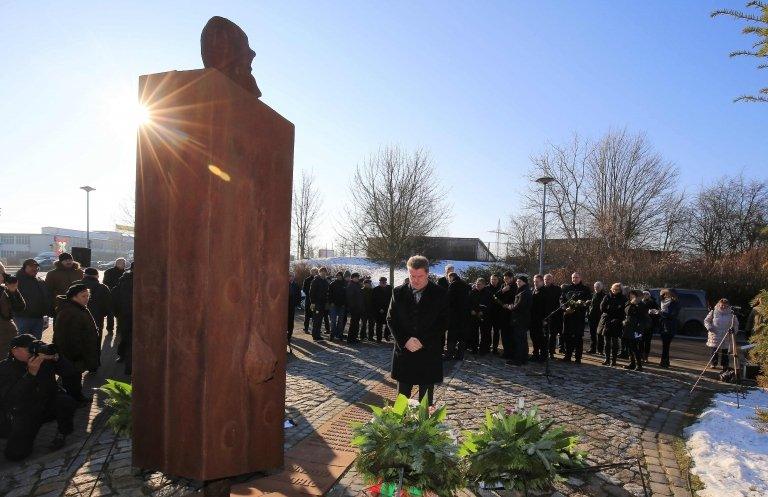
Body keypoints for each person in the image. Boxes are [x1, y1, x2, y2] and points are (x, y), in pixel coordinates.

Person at [0, 334, 78, 461]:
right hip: (24, 413)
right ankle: (14, 434)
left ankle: (62, 433)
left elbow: (70, 372)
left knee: (65, 401)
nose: (34, 351)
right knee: (15, 455)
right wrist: (30, 374)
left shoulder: (43, 360)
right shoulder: (4, 368)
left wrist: (58, 359)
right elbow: (11, 397)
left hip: (46, 404)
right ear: (15, 351)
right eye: (30, 348)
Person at [387, 255, 448, 406]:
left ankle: (424, 428)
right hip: (405, 353)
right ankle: (398, 428)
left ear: (427, 273)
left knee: (425, 404)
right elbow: (391, 319)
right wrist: (405, 340)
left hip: (429, 353)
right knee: (401, 403)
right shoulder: (398, 292)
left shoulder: (440, 294)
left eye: (419, 276)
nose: (415, 280)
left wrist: (423, 341)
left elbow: (443, 322)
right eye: (411, 275)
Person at [53, 284, 100, 383]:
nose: (87, 298)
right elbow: (67, 337)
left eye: (88, 296)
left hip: (78, 354)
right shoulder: (70, 311)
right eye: (83, 296)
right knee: (71, 379)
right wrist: (77, 356)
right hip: (73, 355)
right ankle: (75, 397)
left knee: (75, 378)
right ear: (73, 297)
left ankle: (77, 395)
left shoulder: (78, 308)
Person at [74, 268, 111, 355]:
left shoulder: (74, 285)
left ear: (85, 275)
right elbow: (108, 305)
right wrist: (103, 313)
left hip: (76, 316)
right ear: (96, 276)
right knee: (95, 339)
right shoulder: (103, 287)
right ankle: (95, 360)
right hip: (97, 318)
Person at [14, 259, 52, 339]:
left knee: (35, 345)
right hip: (22, 318)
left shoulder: (40, 281)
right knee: (21, 343)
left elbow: (46, 297)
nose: (34, 269)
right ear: (24, 267)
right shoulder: (16, 280)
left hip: (38, 318)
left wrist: (48, 311)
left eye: (36, 267)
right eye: (31, 266)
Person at [559, 272, 592, 363]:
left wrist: (580, 305)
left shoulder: (585, 289)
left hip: (579, 317)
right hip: (568, 316)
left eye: (576, 277)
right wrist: (565, 308)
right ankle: (568, 356)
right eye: (573, 277)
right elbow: (561, 300)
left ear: (580, 278)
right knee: (567, 336)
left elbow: (588, 301)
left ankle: (578, 358)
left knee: (578, 337)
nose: (574, 279)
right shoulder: (567, 288)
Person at [704, 298, 739, 372]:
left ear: (728, 306)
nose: (723, 307)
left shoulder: (731, 313)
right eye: (722, 305)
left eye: (725, 306)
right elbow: (706, 321)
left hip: (726, 335)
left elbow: (736, 324)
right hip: (715, 334)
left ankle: (725, 365)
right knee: (714, 350)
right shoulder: (713, 312)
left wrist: (734, 331)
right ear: (719, 304)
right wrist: (709, 327)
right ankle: (713, 363)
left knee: (725, 351)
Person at [111, 264, 134, 374]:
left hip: (125, 315)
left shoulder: (123, 280)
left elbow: (115, 298)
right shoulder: (147, 280)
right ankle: (129, 366)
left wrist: (118, 314)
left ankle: (123, 357)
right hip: (137, 316)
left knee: (126, 338)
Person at [505, 275, 532, 366]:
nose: (517, 283)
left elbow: (519, 306)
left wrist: (510, 307)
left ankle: (519, 359)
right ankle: (523, 358)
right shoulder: (523, 290)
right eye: (517, 281)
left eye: (519, 281)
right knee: (522, 340)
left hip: (520, 319)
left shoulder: (524, 292)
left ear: (524, 282)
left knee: (519, 340)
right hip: (521, 319)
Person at [599, 283, 627, 367]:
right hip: (607, 321)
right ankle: (607, 358)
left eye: (617, 290)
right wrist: (612, 308)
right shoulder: (607, 297)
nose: (614, 291)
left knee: (615, 342)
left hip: (617, 321)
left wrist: (616, 313)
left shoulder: (623, 298)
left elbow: (623, 310)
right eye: (613, 289)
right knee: (607, 342)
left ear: (620, 290)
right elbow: (602, 307)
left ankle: (613, 360)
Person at [446, 272, 470, 360]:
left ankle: (449, 355)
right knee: (462, 336)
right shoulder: (466, 285)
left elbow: (448, 300)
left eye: (449, 278)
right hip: (465, 315)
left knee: (452, 335)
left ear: (451, 277)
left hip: (455, 315)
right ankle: (460, 355)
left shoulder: (453, 285)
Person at [1, 275, 26, 357]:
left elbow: (20, 307)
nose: (4, 276)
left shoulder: (5, 289)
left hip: (8, 331)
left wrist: (13, 291)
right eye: (2, 273)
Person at [623, 290, 647, 371]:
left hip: (637, 329)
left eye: (633, 296)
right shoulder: (628, 303)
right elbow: (627, 311)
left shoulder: (642, 305)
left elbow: (643, 317)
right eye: (630, 295)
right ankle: (632, 363)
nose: (632, 297)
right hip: (628, 327)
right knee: (629, 346)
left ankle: (639, 365)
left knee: (635, 346)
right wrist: (632, 304)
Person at [495, 271, 517, 360]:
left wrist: (509, 305)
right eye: (504, 279)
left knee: (510, 334)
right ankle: (506, 351)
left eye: (507, 279)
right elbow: (496, 296)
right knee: (504, 334)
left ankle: (511, 352)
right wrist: (502, 290)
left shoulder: (515, 286)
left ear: (512, 278)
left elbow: (516, 298)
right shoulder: (503, 286)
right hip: (503, 313)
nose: (506, 280)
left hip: (511, 313)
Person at [469, 278, 493, 355]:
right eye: (476, 284)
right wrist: (471, 310)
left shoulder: (488, 293)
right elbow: (468, 302)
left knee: (484, 333)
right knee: (474, 333)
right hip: (474, 316)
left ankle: (483, 349)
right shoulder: (472, 292)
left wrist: (483, 311)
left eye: (479, 284)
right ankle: (474, 348)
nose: (477, 285)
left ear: (483, 285)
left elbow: (490, 305)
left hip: (484, 316)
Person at [657, 288, 681, 368]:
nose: (664, 296)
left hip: (670, 326)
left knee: (666, 345)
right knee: (665, 345)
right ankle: (665, 361)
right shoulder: (663, 302)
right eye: (663, 294)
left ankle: (664, 362)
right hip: (663, 325)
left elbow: (672, 315)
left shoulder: (675, 303)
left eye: (665, 294)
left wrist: (661, 312)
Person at [102, 258, 126, 335]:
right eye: (122, 263)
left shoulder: (125, 273)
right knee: (110, 313)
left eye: (124, 263)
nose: (124, 265)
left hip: (121, 296)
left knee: (120, 313)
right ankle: (110, 328)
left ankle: (119, 328)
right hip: (111, 295)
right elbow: (105, 283)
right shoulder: (109, 272)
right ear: (117, 263)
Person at [541, 274, 562, 359]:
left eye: (548, 279)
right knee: (544, 335)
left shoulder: (557, 289)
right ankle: (543, 351)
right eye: (545, 279)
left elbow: (560, 301)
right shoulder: (542, 289)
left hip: (554, 315)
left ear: (552, 280)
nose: (547, 280)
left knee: (552, 335)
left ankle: (551, 352)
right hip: (544, 315)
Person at [309, 267, 330, 341]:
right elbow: (311, 292)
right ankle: (315, 335)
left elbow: (327, 292)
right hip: (317, 303)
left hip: (323, 303)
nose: (323, 273)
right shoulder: (315, 281)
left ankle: (318, 335)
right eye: (322, 272)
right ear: (319, 272)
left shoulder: (325, 281)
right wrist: (313, 302)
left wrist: (327, 302)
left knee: (320, 320)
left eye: (325, 272)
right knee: (316, 320)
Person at [529, 274, 547, 362]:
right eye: (534, 281)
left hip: (541, 319)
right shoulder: (532, 290)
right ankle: (535, 354)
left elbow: (547, 307)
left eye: (537, 281)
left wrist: (545, 319)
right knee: (533, 337)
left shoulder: (545, 291)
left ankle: (543, 356)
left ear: (542, 282)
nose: (535, 283)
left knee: (541, 338)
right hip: (532, 318)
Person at [487, 274, 504, 355]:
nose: (493, 281)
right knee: (487, 331)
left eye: (495, 279)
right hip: (489, 313)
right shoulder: (487, 288)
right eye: (492, 279)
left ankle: (494, 348)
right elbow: (490, 298)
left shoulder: (501, 287)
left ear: (498, 280)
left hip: (498, 313)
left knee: (496, 332)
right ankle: (487, 346)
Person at [587, 281, 606, 355]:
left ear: (601, 287)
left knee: (600, 334)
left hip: (600, 317)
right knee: (592, 334)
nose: (596, 288)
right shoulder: (592, 295)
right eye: (595, 287)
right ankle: (592, 348)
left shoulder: (604, 296)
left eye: (598, 287)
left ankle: (600, 350)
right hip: (592, 317)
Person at [345, 273, 364, 344]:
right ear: (352, 278)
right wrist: (353, 307)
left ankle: (354, 338)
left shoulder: (357, 285)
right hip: (354, 308)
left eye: (357, 277)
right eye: (355, 277)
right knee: (353, 324)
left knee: (356, 324)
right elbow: (349, 297)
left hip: (358, 308)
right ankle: (350, 339)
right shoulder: (351, 285)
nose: (357, 279)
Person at [372, 277, 392, 342]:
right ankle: (379, 338)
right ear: (379, 282)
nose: (383, 283)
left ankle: (386, 336)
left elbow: (392, 299)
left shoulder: (390, 288)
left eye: (384, 282)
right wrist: (379, 308)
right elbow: (374, 300)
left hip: (387, 309)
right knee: (379, 325)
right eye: (381, 282)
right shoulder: (375, 290)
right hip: (379, 310)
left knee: (388, 324)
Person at [328, 272, 347, 341]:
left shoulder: (345, 284)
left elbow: (346, 295)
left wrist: (344, 303)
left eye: (340, 275)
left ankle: (339, 335)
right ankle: (332, 335)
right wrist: (331, 302)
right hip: (333, 305)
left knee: (340, 321)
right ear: (336, 276)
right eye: (337, 275)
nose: (339, 276)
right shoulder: (332, 284)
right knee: (333, 321)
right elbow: (329, 294)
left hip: (342, 306)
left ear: (342, 276)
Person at [641, 291, 659, 362]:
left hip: (650, 325)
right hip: (641, 324)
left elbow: (658, 312)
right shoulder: (640, 302)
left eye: (647, 294)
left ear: (649, 295)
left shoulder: (653, 302)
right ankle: (641, 356)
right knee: (641, 341)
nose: (645, 295)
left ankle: (646, 357)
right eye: (644, 294)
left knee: (647, 342)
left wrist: (653, 312)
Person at [302, 267, 318, 333]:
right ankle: (306, 328)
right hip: (308, 300)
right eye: (313, 271)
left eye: (316, 271)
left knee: (315, 315)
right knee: (307, 315)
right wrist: (309, 294)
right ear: (311, 272)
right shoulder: (307, 280)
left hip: (316, 300)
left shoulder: (318, 280)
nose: (314, 273)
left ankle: (315, 329)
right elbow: (304, 289)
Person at [288, 273, 302, 346]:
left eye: (292, 276)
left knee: (291, 320)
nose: (291, 278)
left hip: (292, 305)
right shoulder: (284, 284)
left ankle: (290, 335)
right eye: (289, 276)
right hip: (285, 306)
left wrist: (297, 303)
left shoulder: (296, 285)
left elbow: (298, 295)